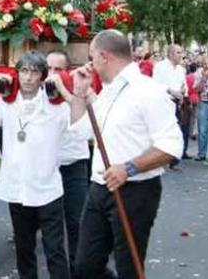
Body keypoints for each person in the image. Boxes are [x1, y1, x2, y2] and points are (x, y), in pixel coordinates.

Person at [66, 30, 183, 279]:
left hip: (135, 190)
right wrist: (79, 92)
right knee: (85, 267)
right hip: (100, 187)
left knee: (129, 268)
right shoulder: (107, 91)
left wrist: (128, 168)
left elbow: (172, 145)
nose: (90, 64)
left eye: (92, 57)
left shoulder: (147, 91)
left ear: (104, 56)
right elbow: (80, 130)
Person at [0, 51, 70, 278]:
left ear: (42, 77)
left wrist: (64, 90)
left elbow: (80, 121)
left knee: (55, 249)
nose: (28, 77)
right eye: (24, 71)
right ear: (17, 74)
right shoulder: (7, 103)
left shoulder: (55, 105)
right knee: (24, 248)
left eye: (34, 72)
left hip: (47, 188)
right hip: (17, 188)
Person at [47, 50, 91, 273]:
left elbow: (82, 118)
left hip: (74, 164)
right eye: (49, 69)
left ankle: (78, 270)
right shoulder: (38, 92)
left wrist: (64, 90)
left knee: (76, 222)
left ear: (67, 71)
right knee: (53, 228)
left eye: (58, 69)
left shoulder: (76, 91)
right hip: (49, 167)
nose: (52, 75)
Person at [153, 44, 187, 167]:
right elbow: (156, 84)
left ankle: (173, 158)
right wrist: (171, 91)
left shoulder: (181, 69)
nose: (181, 55)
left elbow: (183, 85)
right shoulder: (160, 67)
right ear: (171, 54)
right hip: (164, 103)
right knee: (162, 131)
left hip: (177, 103)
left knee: (177, 130)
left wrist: (183, 92)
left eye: (181, 52)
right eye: (178, 52)